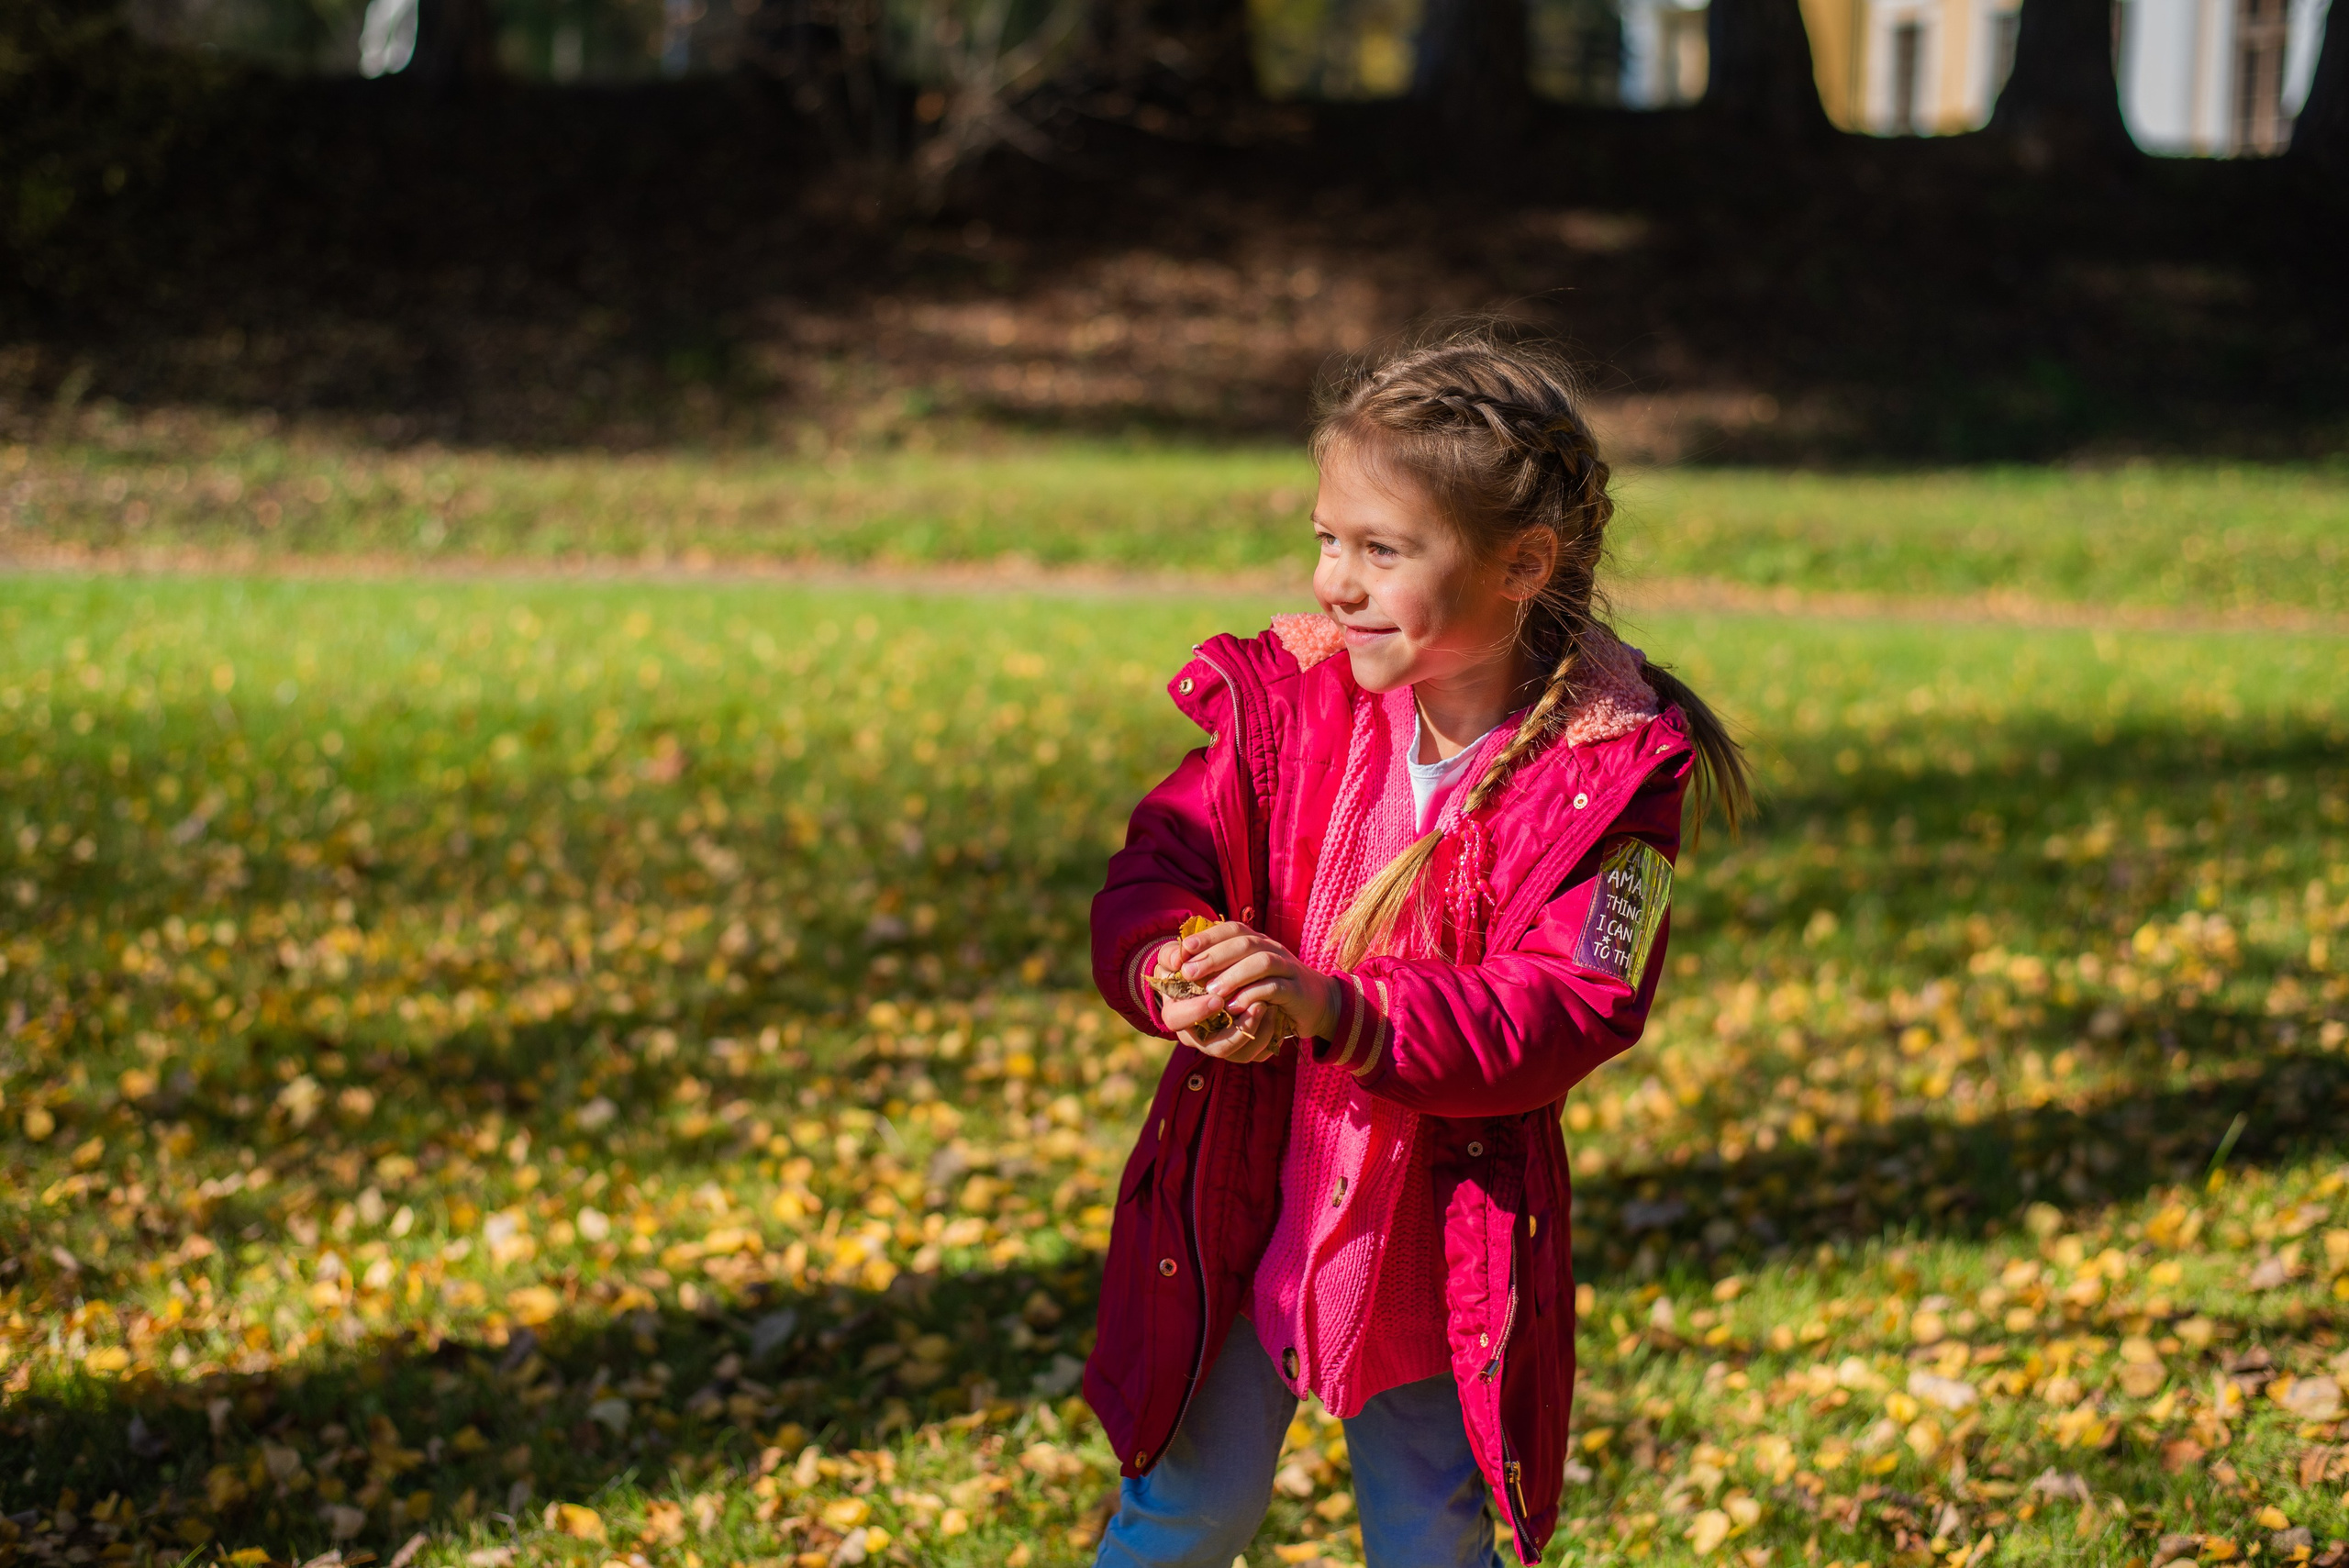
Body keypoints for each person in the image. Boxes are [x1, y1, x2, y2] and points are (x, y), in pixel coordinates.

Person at [1081, 330, 1751, 1567]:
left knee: (1430, 1532)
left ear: (1520, 566)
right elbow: (1158, 864)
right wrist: (1175, 962)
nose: (1337, 581)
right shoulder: (1289, 698)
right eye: (1329, 538)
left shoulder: (1612, 778)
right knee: (1188, 1508)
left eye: (1382, 550)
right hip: (1245, 1192)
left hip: (1439, 1238)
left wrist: (1341, 1009)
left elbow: (1572, 1003)